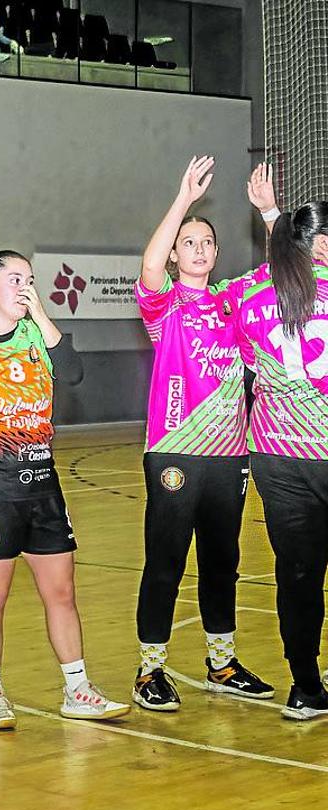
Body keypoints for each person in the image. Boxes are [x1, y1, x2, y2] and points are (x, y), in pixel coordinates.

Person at [0, 250, 129, 729]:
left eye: (30, 280)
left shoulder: (40, 336)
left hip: (43, 486)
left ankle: (77, 687)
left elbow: (73, 372)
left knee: (61, 592)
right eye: (14, 280)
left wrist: (40, 310)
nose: (24, 287)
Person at [131, 156, 276, 712]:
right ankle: (150, 671)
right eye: (187, 241)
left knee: (223, 560)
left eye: (206, 241)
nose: (197, 247)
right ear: (175, 253)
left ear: (216, 253)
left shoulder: (233, 301)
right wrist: (184, 200)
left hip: (230, 454)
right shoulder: (165, 305)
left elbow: (282, 270)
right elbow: (148, 265)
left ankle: (222, 661)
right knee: (165, 560)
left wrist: (267, 212)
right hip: (175, 451)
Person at [234, 200, 328, 720]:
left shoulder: (254, 292)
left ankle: (304, 686)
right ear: (322, 243)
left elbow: (250, 363)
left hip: (277, 456)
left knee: (297, 572)